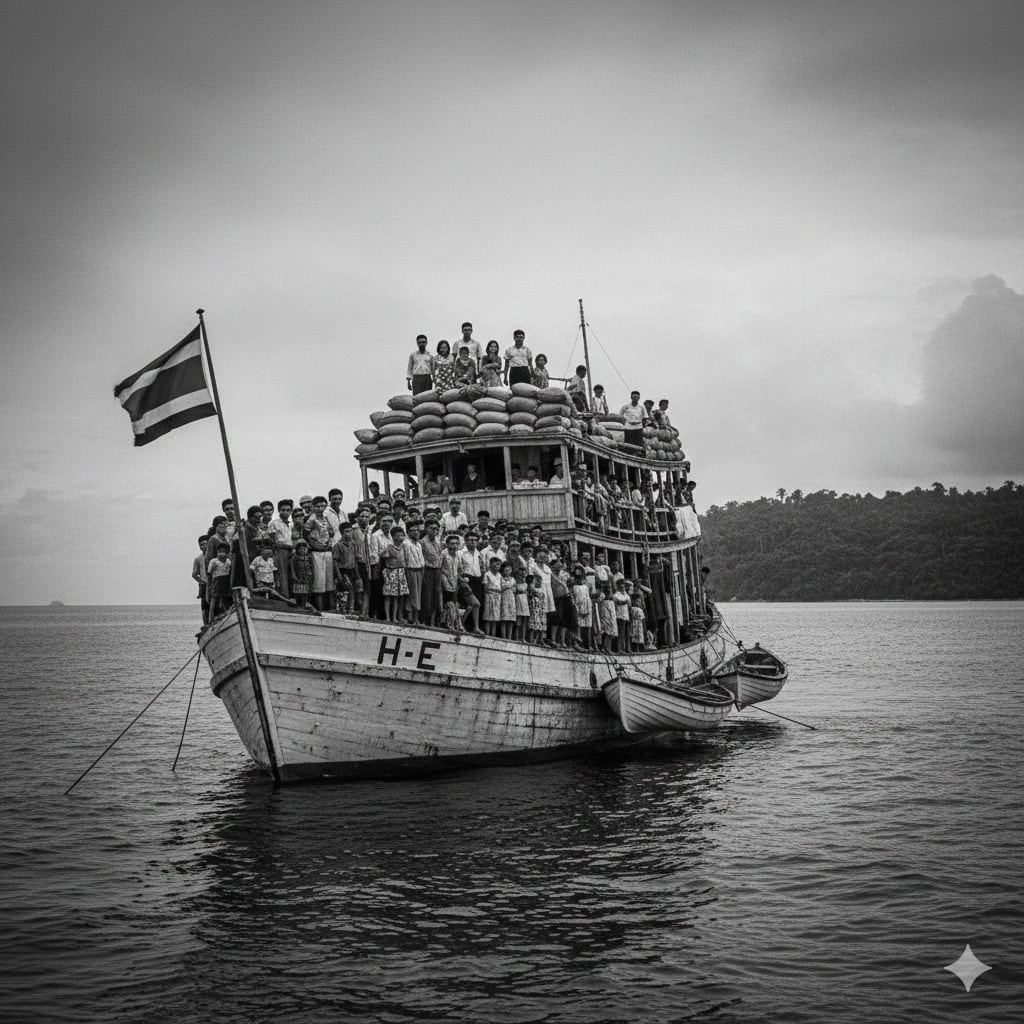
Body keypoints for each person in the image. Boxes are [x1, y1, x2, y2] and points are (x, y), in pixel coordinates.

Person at [303, 496, 335, 613]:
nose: (320, 508)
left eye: (322, 506)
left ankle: (330, 608)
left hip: (327, 551)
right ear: (313, 507)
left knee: (329, 581)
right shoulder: (311, 519)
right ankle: (320, 608)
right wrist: (314, 545)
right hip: (316, 552)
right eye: (317, 506)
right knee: (319, 581)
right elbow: (305, 535)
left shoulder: (326, 518)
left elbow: (331, 533)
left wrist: (328, 544)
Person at [382, 525, 409, 623]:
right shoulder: (389, 547)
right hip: (391, 572)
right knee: (388, 596)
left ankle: (395, 617)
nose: (400, 538)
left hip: (400, 572)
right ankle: (388, 617)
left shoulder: (404, 547)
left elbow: (406, 559)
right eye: (398, 536)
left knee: (397, 597)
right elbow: (383, 556)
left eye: (402, 536)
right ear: (393, 537)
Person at [332, 521, 358, 613]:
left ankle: (350, 609)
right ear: (342, 532)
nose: (349, 534)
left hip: (351, 570)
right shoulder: (338, 545)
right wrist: (338, 575)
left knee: (351, 591)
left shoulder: (353, 544)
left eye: (350, 531)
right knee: (342, 591)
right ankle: (341, 609)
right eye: (346, 531)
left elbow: (355, 560)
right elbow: (335, 561)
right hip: (342, 570)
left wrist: (357, 575)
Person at [403, 522, 424, 623]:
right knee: (411, 594)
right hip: (410, 570)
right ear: (408, 532)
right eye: (413, 531)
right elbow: (406, 560)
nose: (416, 532)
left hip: (419, 570)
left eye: (417, 530)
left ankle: (416, 617)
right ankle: (410, 616)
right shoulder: (406, 543)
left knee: (418, 594)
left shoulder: (419, 544)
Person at [482, 557, 503, 636]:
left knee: (495, 617)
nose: (497, 566)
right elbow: (486, 587)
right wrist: (495, 590)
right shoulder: (487, 574)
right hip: (489, 596)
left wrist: (497, 591)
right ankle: (487, 634)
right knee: (488, 616)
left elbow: (501, 587)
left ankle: (493, 635)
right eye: (495, 564)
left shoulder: (499, 575)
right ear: (490, 564)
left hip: (497, 597)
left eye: (498, 564)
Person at [290, 538, 313, 609]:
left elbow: (312, 567)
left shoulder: (309, 558)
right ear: (298, 550)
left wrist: (311, 574)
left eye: (305, 549)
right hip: (298, 577)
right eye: (302, 549)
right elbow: (292, 567)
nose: (304, 550)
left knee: (305, 592)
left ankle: (303, 605)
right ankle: (298, 605)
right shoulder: (295, 558)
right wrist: (293, 575)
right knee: (298, 592)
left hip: (306, 577)